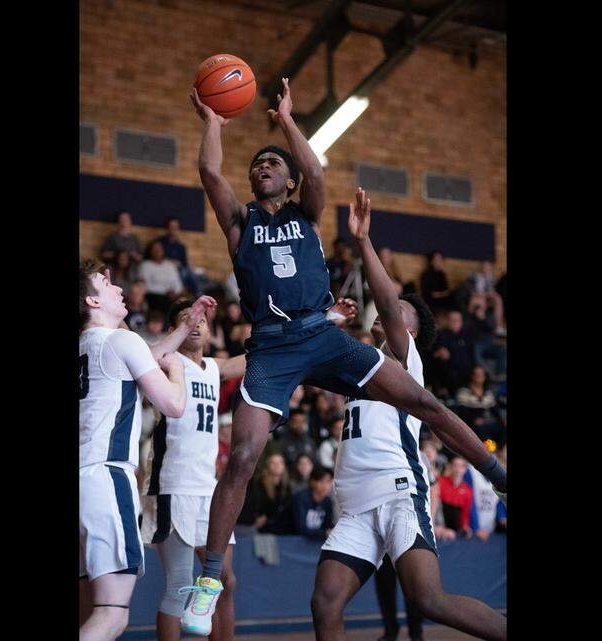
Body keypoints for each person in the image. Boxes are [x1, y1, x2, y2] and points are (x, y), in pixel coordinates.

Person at [184, 80, 507, 635]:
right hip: (272, 348)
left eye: (272, 164)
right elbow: (212, 174)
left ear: (287, 181)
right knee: (241, 458)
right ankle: (209, 581)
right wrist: (213, 123)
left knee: (425, 401)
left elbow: (318, 174)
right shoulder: (242, 226)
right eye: (257, 163)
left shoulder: (306, 214)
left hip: (323, 336)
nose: (262, 167)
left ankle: (499, 474)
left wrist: (287, 120)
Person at [312, 190, 507, 641]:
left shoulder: (404, 358)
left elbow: (387, 303)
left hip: (399, 490)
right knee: (325, 602)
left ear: (411, 330)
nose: (386, 314)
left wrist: (363, 243)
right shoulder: (361, 364)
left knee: (427, 599)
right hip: (356, 505)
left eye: (396, 312)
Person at [78, 262, 190, 641]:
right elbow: (173, 404)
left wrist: (182, 330)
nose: (116, 285)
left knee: (88, 610)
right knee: (112, 615)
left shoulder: (88, 346)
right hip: (106, 476)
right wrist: (177, 369)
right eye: (105, 282)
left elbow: (144, 355)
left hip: (82, 480)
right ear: (91, 299)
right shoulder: (122, 342)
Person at [145, 297, 248, 641]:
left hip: (209, 488)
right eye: (188, 320)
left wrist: (328, 321)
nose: (197, 323)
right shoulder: (165, 361)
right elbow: (152, 355)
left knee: (224, 580)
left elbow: (254, 359)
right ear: (175, 330)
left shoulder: (214, 368)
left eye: (201, 320)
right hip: (172, 484)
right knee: (179, 584)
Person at [291, 466, 336, 540]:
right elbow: (301, 528)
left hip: (315, 542)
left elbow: (328, 524)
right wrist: (324, 533)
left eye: (329, 481)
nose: (326, 486)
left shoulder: (328, 501)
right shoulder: (301, 499)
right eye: (322, 481)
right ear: (312, 482)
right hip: (292, 540)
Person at [139, 241, 185, 311]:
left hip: (173, 297)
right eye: (155, 249)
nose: (158, 250)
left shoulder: (170, 265)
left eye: (160, 248)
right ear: (150, 251)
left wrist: (174, 293)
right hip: (153, 297)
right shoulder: (145, 265)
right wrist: (164, 292)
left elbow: (178, 284)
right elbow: (145, 286)